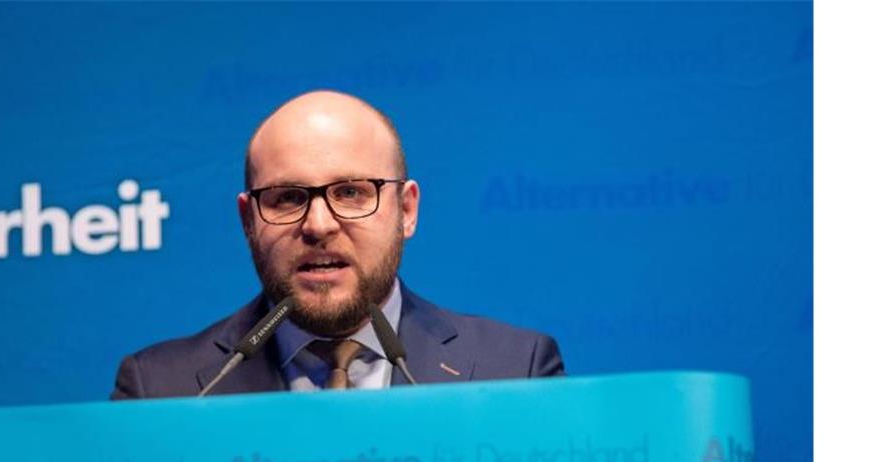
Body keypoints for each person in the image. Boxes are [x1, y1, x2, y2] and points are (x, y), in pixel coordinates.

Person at [111, 90, 563, 400]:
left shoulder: (514, 371)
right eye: (288, 198)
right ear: (248, 221)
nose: (320, 225)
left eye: (351, 193)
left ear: (406, 210)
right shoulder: (163, 391)